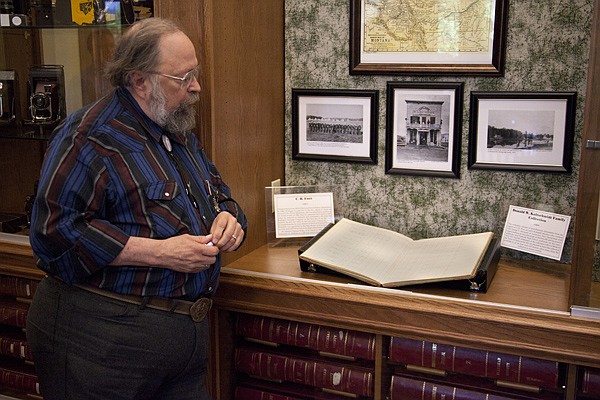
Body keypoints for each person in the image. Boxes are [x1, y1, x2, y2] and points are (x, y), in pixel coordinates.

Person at [26, 17, 247, 400]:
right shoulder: (91, 136)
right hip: (102, 341)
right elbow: (53, 233)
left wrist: (230, 218)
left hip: (182, 342)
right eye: (182, 78)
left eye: (195, 73)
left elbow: (218, 195)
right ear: (139, 80)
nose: (196, 87)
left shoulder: (176, 131)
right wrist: (161, 253)